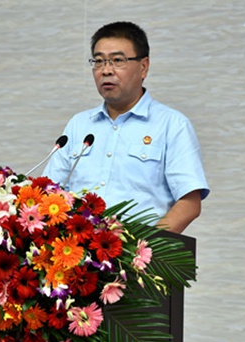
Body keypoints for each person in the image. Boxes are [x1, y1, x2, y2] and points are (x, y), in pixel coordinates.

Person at [43, 21, 209, 234]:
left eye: (117, 61)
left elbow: (189, 204)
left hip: (140, 252)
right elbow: (50, 192)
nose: (106, 71)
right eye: (99, 61)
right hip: (77, 250)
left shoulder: (172, 125)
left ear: (143, 67)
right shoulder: (79, 125)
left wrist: (141, 248)